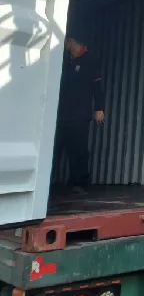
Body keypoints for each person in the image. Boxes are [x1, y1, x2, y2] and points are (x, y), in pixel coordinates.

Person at [55, 32, 105, 191]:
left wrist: (99, 109)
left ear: (74, 42)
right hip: (61, 112)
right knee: (55, 146)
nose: (66, 46)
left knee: (78, 148)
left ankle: (79, 182)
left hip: (79, 113)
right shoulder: (64, 60)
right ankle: (49, 181)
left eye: (68, 43)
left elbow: (97, 88)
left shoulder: (90, 60)